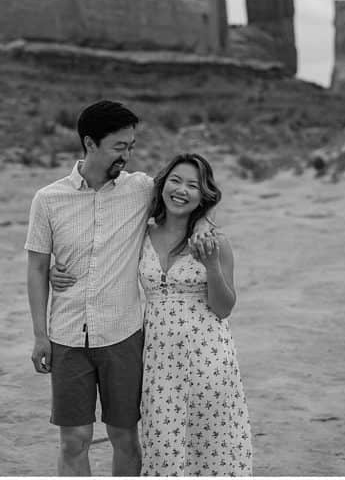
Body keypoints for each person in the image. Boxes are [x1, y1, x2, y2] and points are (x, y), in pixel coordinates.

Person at [25, 100, 215, 476]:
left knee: (125, 438)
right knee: (74, 440)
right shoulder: (47, 199)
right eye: (118, 147)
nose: (126, 155)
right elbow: (36, 268)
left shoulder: (142, 189)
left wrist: (205, 223)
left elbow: (188, 195)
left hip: (123, 336)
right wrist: (39, 336)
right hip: (67, 337)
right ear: (90, 143)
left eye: (130, 146)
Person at [138, 153, 252, 475]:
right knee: (161, 450)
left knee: (212, 450)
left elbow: (224, 307)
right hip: (158, 365)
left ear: (203, 195)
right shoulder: (141, 234)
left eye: (193, 185)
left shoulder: (216, 241)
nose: (181, 190)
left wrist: (212, 267)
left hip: (209, 360)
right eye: (175, 181)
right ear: (162, 185)